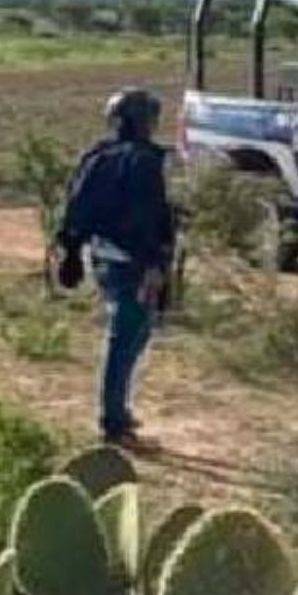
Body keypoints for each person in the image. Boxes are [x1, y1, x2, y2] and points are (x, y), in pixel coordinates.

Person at [53, 88, 178, 450]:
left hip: (104, 256)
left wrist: (72, 250)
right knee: (125, 338)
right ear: (145, 122)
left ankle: (118, 410)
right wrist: (155, 263)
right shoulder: (143, 162)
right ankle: (114, 423)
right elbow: (149, 220)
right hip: (134, 262)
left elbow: (75, 207)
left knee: (131, 334)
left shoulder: (97, 156)